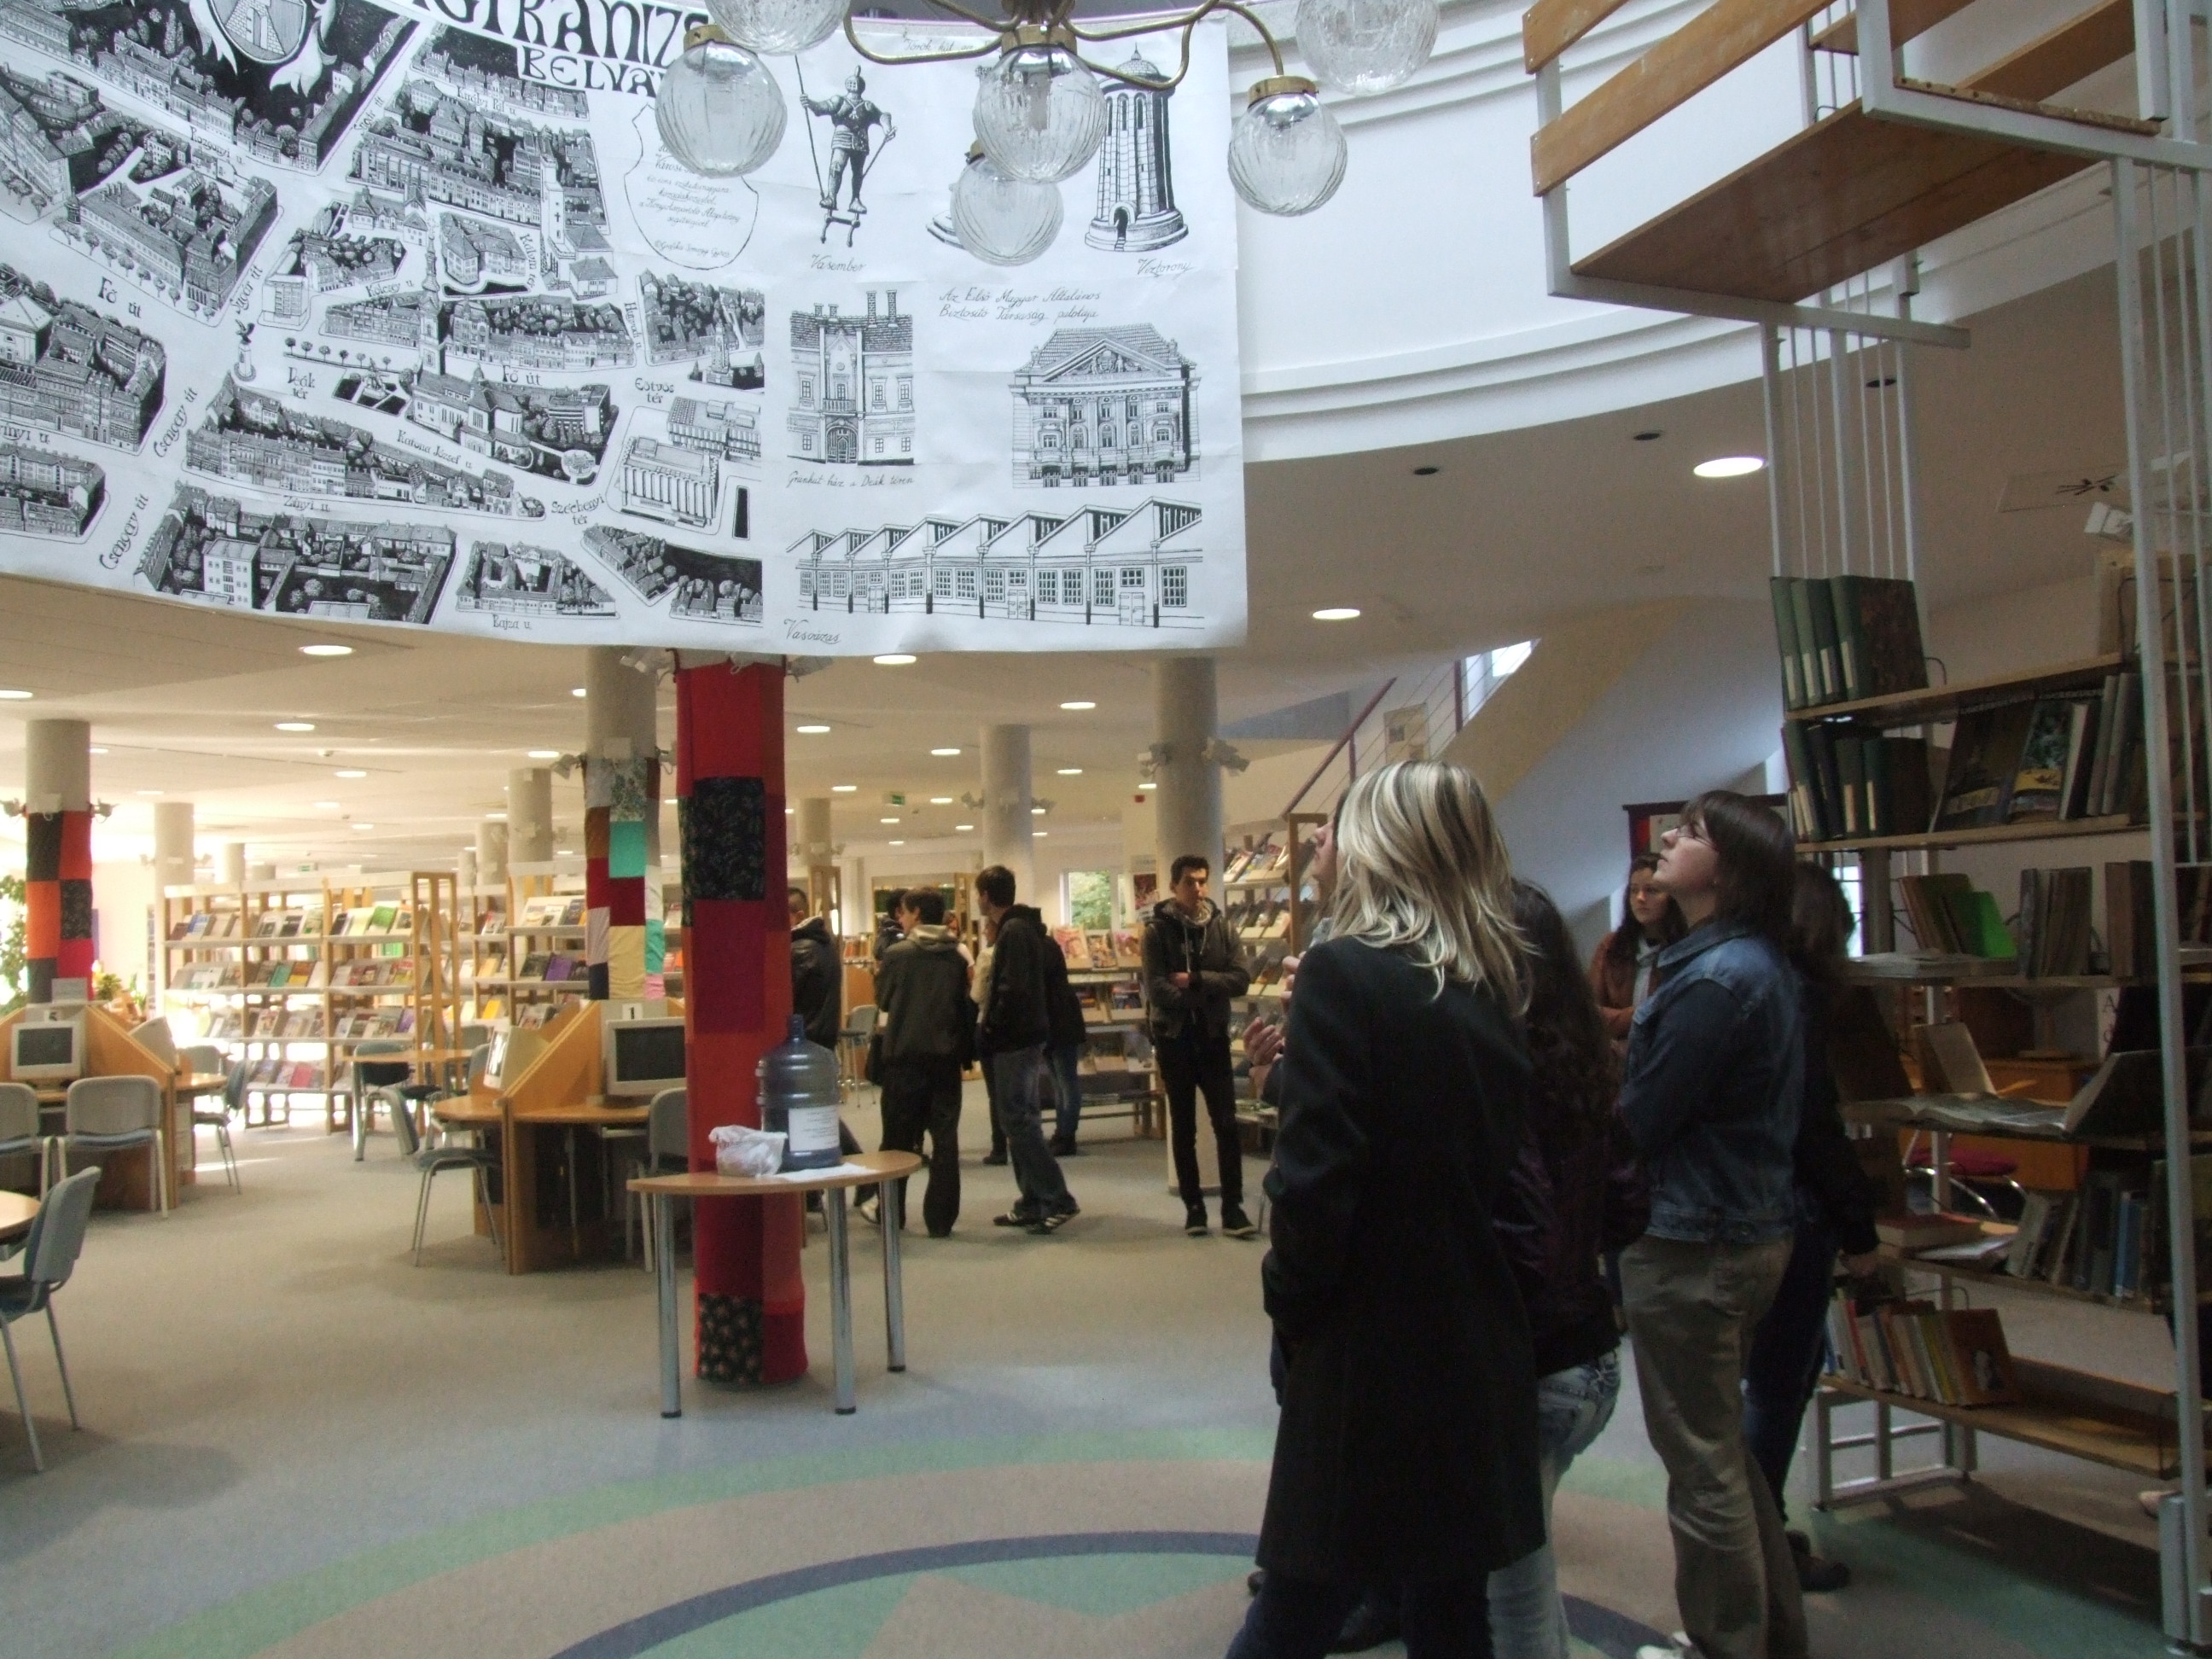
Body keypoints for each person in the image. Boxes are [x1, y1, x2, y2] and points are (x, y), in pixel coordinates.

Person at [1231, 760, 1542, 1659]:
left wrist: (1290, 1307)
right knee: (1450, 1612)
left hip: (1367, 1347)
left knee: (1294, 1609)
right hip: (1469, 1336)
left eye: (1340, 829)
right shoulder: (1488, 984)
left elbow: (1315, 1188)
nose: (1322, 850)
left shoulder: (1343, 972)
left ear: (1380, 845)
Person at [1617, 791, 1808, 1659]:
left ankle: (1727, 1642)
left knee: (1700, 1467)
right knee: (1721, 1451)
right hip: (1738, 1227)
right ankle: (1771, 1635)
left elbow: (1646, 1116)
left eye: (1692, 833)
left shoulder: (1717, 979)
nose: (1668, 839)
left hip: (1696, 1242)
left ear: (1730, 870)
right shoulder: (1741, 963)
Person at [1489, 882, 1649, 1659]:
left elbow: (1524, 1238)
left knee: (1512, 1593)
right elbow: (1628, 1208)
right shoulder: (1587, 1064)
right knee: (1527, 1570)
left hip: (1535, 1362)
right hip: (1592, 1356)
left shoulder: (1503, 1075)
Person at [1741, 864, 1881, 1595]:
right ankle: (1763, 1541)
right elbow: (1814, 1123)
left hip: (1757, 1203)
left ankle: (1757, 1534)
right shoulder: (1796, 998)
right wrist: (1859, 1224)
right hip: (1794, 1206)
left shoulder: (1749, 983)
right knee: (1779, 1382)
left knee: (1770, 1378)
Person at [1144, 853, 1254, 1237]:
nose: (1198, 888)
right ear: (1174, 886)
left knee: (1226, 1123)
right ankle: (1194, 1208)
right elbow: (1157, 988)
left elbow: (1241, 978)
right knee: (1184, 1126)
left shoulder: (1222, 927)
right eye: (1190, 882)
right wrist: (1206, 993)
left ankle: (1233, 1207)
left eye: (1202, 881)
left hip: (1213, 1037)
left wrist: (1195, 981)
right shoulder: (1157, 931)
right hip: (1174, 1039)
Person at [973, 864, 1079, 1234]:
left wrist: (992, 1025)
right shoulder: (1022, 928)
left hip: (1015, 1039)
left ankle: (1057, 1197)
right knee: (1018, 1120)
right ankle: (1032, 1200)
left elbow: (1012, 989)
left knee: (1019, 1121)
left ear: (987, 896)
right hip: (1023, 1037)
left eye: (979, 894)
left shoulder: (1014, 931)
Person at [872, 889, 974, 1237]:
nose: (900, 919)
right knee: (945, 1141)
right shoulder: (956, 956)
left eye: (903, 912)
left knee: (896, 1141)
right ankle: (941, 1219)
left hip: (905, 1058)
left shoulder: (898, 955)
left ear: (916, 913)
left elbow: (884, 1001)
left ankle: (892, 1213)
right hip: (945, 1060)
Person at [1590, 853, 1685, 1050]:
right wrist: (1641, 1014)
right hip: (1614, 1052)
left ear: (1671, 896)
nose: (1640, 898)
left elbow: (1674, 1016)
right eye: (1634, 891)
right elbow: (1588, 1011)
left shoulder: (1683, 947)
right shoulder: (1612, 945)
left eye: (1651, 890)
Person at [1044, 924, 1088, 1157]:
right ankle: (1063, 1131)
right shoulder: (1048, 946)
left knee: (1066, 1083)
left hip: (1059, 1026)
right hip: (1057, 1025)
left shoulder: (1041, 950)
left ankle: (1066, 1133)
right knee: (1061, 1083)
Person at [789, 886, 842, 1050]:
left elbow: (785, 999)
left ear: (799, 916)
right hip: (823, 1040)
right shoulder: (825, 944)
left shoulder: (800, 949)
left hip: (803, 1041)